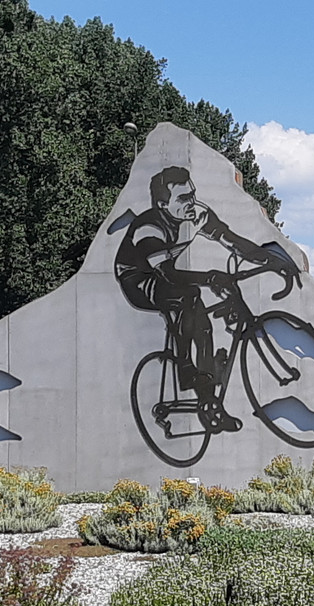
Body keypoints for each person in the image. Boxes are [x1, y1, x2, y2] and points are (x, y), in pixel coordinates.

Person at [114, 166, 282, 433]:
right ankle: (186, 369)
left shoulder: (198, 213)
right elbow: (167, 275)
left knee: (203, 322)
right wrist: (210, 278)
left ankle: (209, 401)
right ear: (162, 204)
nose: (190, 203)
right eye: (182, 199)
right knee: (188, 296)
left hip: (166, 274)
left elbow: (232, 240)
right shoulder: (148, 228)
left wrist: (271, 261)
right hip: (137, 278)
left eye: (191, 194)